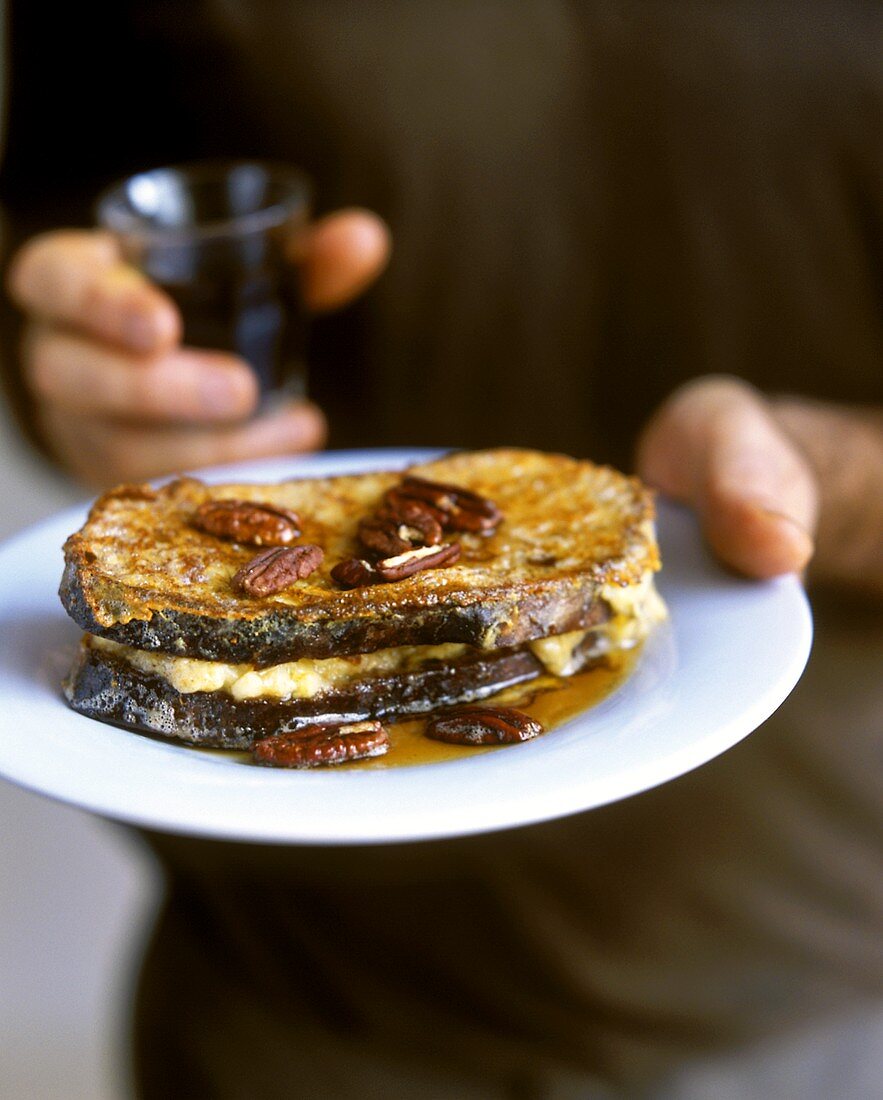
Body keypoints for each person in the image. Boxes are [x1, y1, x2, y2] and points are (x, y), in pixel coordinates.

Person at [2, 4, 882, 1096]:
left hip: (797, 993)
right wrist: (97, 388)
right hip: (277, 991)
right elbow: (61, 250)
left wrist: (826, 479)